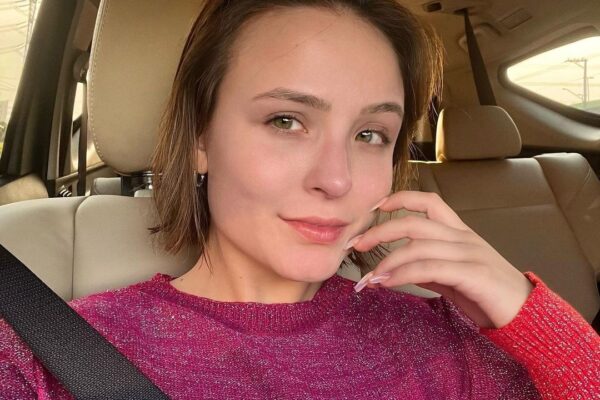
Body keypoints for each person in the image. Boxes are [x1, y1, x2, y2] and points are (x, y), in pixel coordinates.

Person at [1, 1, 599, 399]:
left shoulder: (442, 342)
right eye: (286, 120)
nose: (336, 180)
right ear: (200, 140)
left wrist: (527, 312)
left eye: (371, 135)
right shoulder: (44, 353)